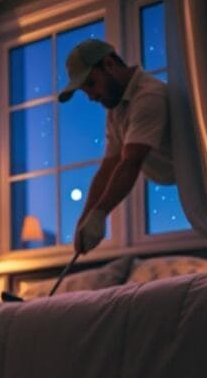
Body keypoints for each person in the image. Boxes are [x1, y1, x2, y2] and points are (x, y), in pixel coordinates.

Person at [58, 39, 175, 254]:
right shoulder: (116, 109)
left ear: (109, 65)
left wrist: (100, 213)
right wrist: (85, 218)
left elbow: (130, 162)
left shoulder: (148, 96)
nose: (91, 97)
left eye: (91, 84)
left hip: (192, 182)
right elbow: (109, 165)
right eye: (86, 92)